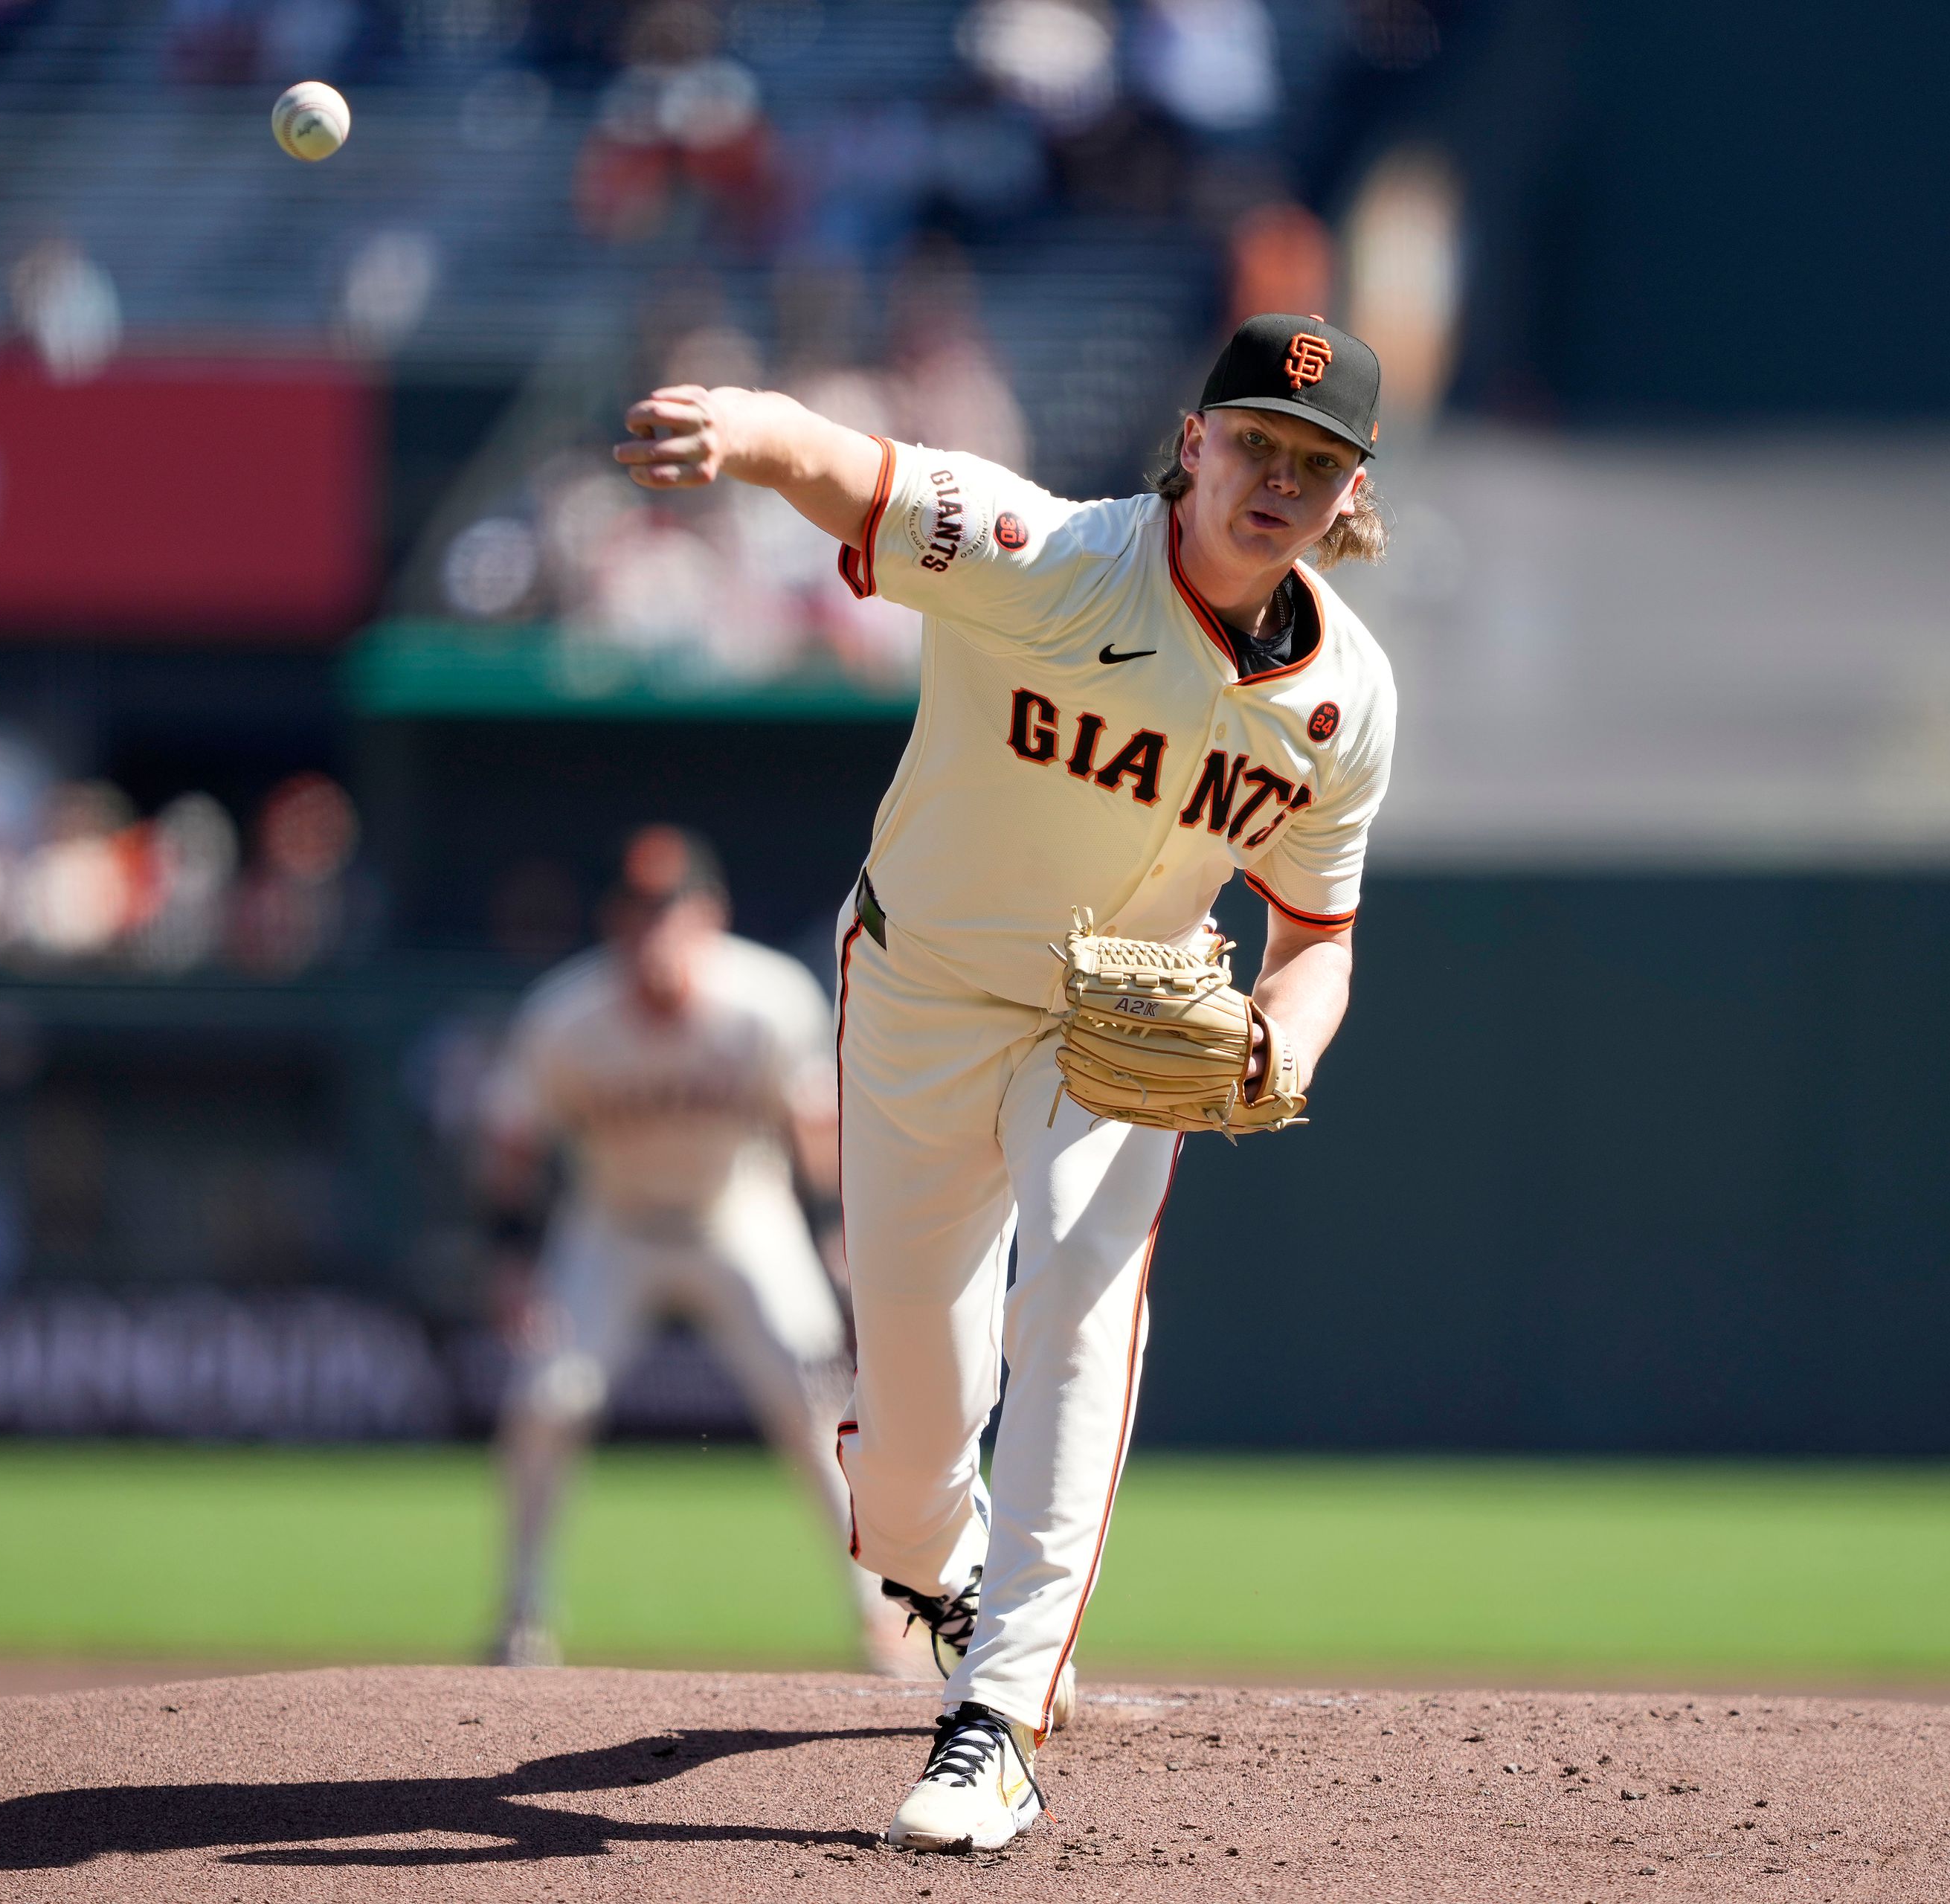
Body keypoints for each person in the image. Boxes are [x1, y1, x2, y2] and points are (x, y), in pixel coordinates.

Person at [610, 313, 1396, 1850]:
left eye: (1316, 463)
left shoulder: (1347, 702)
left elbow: (1319, 938)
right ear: (1193, 442)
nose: (1278, 479)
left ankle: (1003, 1707)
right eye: (1256, 440)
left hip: (1109, 1033)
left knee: (1087, 1305)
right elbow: (854, 472)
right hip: (918, 990)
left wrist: (1282, 1041)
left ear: (1349, 494)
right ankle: (940, 1563)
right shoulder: (1048, 554)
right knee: (909, 1443)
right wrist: (742, 426)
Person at [479, 824, 911, 1676]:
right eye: (639, 913)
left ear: (708, 915)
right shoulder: (567, 1016)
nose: (656, 931)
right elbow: (510, 1144)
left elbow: (814, 1133)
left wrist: (835, 1235)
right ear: (614, 922)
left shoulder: (767, 999)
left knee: (813, 1400)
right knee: (544, 1400)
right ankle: (522, 1616)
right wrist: (510, 1258)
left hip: (738, 1217)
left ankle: (876, 1617)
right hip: (611, 1225)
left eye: (671, 911)